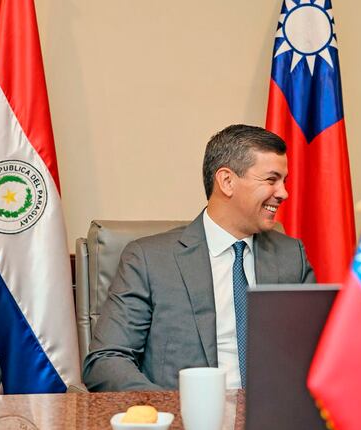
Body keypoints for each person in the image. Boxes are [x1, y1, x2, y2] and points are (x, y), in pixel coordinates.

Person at [83, 125, 315, 391]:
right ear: (227, 181)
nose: (283, 192)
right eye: (271, 180)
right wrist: (175, 410)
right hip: (184, 424)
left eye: (284, 181)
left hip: (272, 423)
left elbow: (319, 352)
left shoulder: (290, 256)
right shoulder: (150, 260)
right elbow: (107, 360)